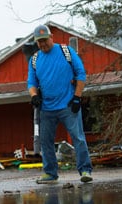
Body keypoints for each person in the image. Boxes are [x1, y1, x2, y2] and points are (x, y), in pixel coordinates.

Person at [27, 24, 93, 184]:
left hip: (68, 105)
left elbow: (81, 74)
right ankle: (50, 173)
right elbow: (31, 82)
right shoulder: (34, 59)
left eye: (45, 40)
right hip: (46, 108)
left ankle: (85, 170)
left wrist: (77, 97)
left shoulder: (66, 52)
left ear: (51, 38)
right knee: (46, 141)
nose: (42, 44)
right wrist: (34, 95)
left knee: (78, 137)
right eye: (39, 42)